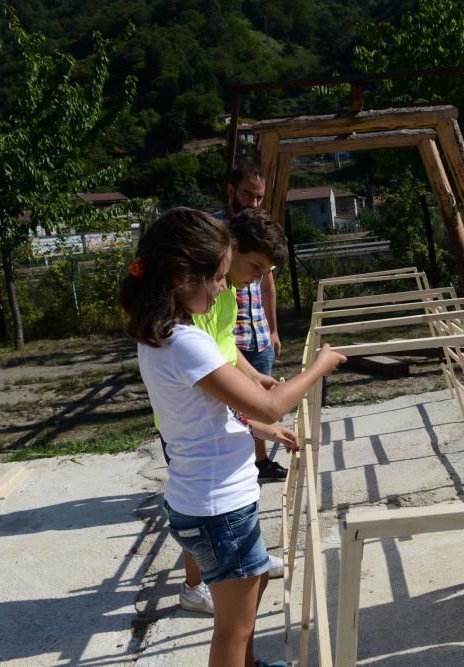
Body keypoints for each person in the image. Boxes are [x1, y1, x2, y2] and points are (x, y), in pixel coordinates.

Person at [119, 208, 345, 666]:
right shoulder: (185, 342)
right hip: (218, 508)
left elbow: (208, 414)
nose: (225, 288)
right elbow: (267, 402)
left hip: (201, 500)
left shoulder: (159, 335)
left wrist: (259, 428)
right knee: (232, 629)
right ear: (184, 275)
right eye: (219, 277)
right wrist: (318, 366)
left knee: (254, 581)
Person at [164, 206, 290, 614]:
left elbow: (225, 349)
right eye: (255, 266)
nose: (257, 277)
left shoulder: (226, 293)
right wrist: (256, 418)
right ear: (230, 249)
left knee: (232, 499)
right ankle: (196, 584)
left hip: (218, 412)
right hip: (197, 421)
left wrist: (254, 376)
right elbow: (207, 377)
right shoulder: (197, 304)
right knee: (206, 505)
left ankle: (242, 559)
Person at [221, 163, 287, 481]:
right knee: (236, 404)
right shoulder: (218, 235)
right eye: (249, 194)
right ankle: (242, 463)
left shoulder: (261, 231)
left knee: (258, 400)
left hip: (257, 331)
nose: (254, 202)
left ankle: (260, 461)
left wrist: (272, 328)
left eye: (260, 197)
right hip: (230, 336)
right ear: (231, 190)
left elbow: (267, 286)